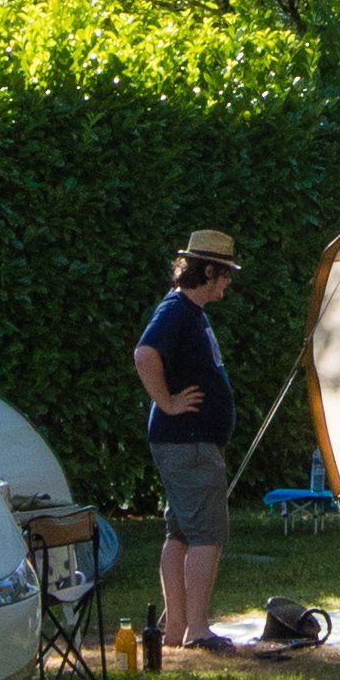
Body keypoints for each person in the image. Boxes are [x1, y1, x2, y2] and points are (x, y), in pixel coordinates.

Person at [136, 231, 247, 658]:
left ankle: (177, 627)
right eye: (225, 274)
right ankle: (198, 629)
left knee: (180, 533)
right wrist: (167, 402)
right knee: (207, 534)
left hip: (186, 441)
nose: (228, 282)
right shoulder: (177, 310)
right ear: (208, 271)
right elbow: (145, 354)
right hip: (189, 442)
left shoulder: (189, 312)